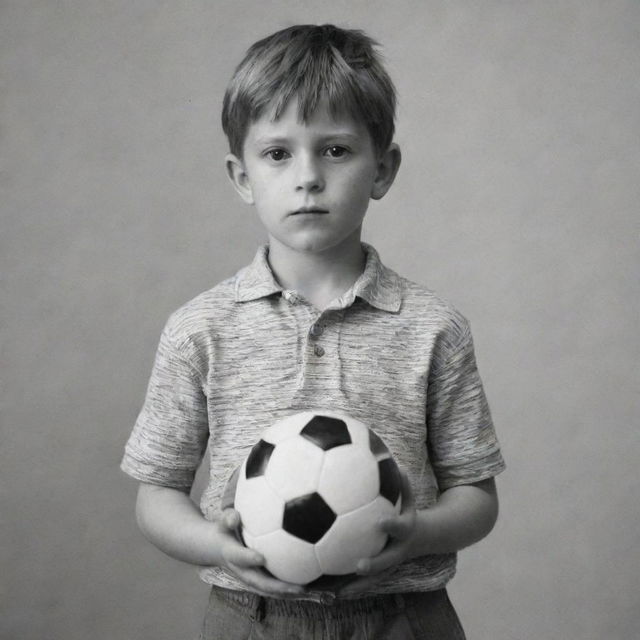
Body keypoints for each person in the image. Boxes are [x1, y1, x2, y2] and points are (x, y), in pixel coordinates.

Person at [121, 23, 506, 639]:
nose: (307, 177)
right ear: (242, 176)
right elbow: (156, 497)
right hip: (251, 619)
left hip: (404, 619)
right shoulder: (200, 329)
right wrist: (215, 544)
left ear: (382, 169)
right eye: (278, 153)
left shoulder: (434, 328)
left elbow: (476, 497)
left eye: (335, 150)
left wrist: (417, 537)